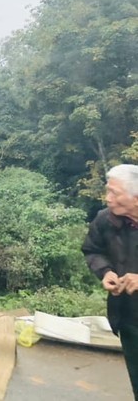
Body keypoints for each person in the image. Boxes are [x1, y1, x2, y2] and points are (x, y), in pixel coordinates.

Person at [82, 164, 138, 399]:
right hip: (128, 318)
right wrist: (105, 272)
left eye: (114, 193)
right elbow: (92, 249)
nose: (108, 199)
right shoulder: (105, 220)